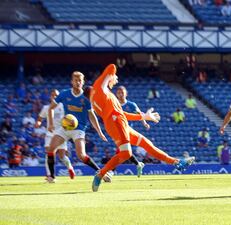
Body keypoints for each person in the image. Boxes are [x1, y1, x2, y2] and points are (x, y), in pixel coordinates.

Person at [88, 64, 195, 192]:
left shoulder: (101, 99)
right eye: (115, 79)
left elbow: (122, 114)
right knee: (126, 153)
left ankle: (177, 163)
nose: (116, 81)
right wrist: (112, 76)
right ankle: (101, 174)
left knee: (147, 144)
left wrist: (145, 116)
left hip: (118, 122)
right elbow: (112, 67)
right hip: (116, 123)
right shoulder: (99, 88)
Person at [45, 71, 109, 183]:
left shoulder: (86, 98)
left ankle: (101, 173)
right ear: (72, 82)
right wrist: (50, 123)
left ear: (83, 82)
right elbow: (50, 108)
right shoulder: (64, 94)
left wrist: (99, 131)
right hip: (64, 127)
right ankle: (51, 177)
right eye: (76, 80)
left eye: (80, 80)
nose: (78, 82)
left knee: (81, 155)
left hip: (79, 129)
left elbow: (91, 115)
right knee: (51, 149)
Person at [35, 89, 75, 180]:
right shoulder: (46, 108)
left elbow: (69, 118)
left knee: (62, 156)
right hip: (50, 134)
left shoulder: (63, 106)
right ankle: (50, 175)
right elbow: (40, 118)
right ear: (50, 96)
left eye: (56, 95)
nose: (54, 97)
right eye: (53, 95)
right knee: (49, 153)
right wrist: (38, 123)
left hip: (61, 134)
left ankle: (70, 168)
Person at [115, 85, 149, 177]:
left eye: (122, 92)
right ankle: (138, 164)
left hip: (127, 131)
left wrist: (144, 123)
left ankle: (110, 171)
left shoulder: (131, 105)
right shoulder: (114, 104)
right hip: (117, 131)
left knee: (121, 151)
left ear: (126, 94)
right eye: (119, 92)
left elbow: (140, 114)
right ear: (116, 94)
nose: (121, 94)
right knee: (124, 152)